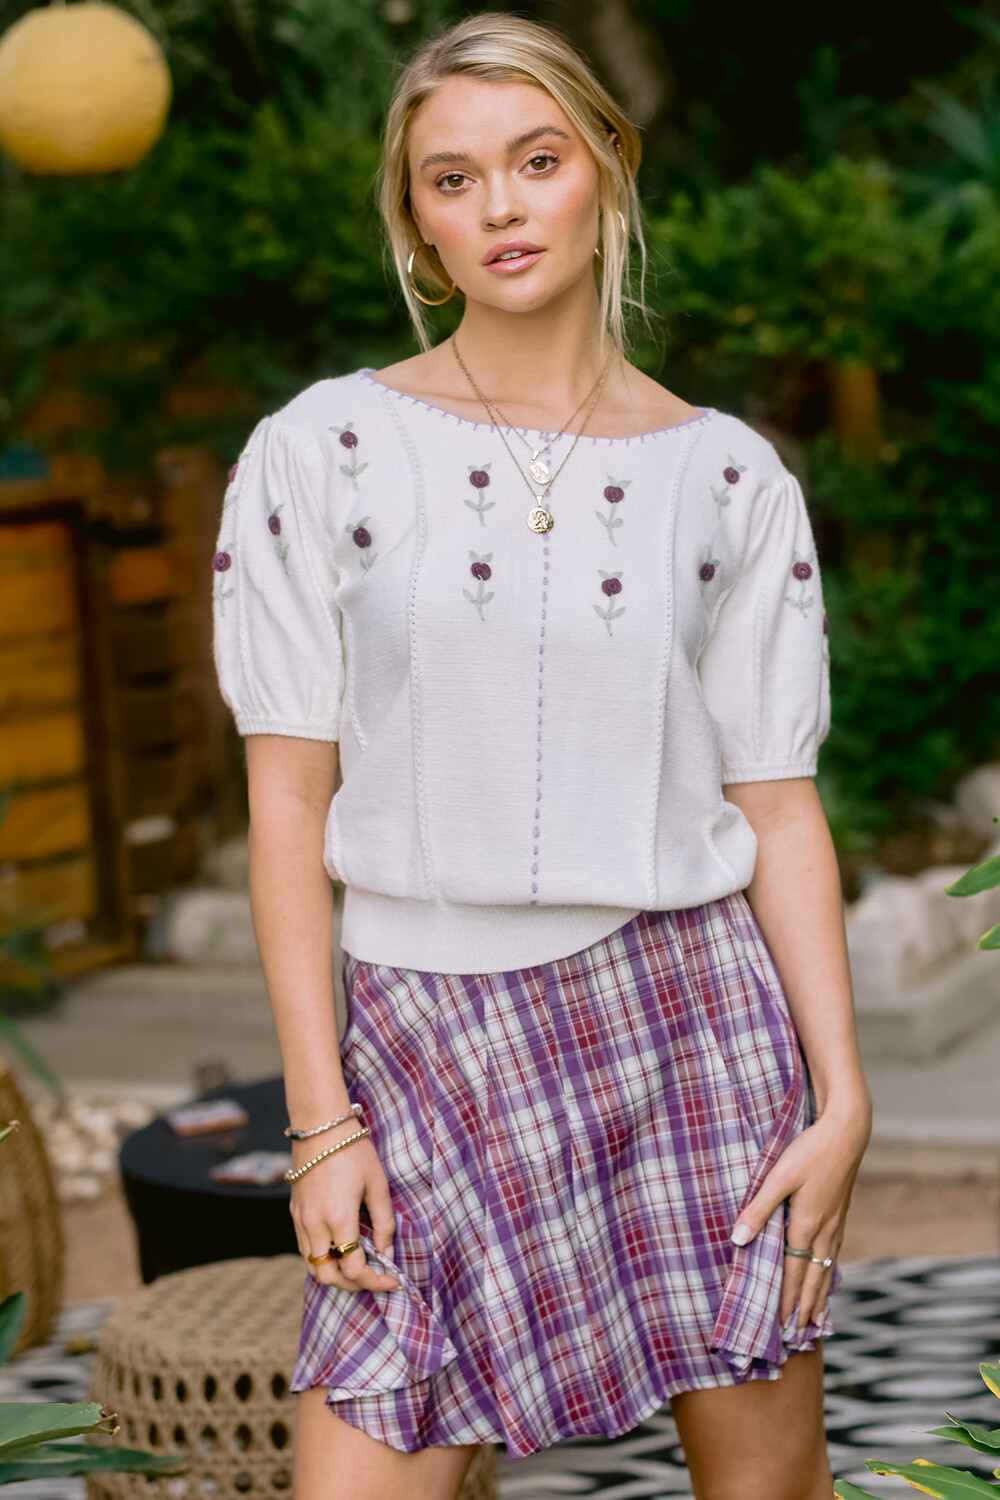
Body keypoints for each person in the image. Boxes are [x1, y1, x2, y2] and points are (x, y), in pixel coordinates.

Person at [211, 13, 872, 1500]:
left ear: (608, 170)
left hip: (696, 1027)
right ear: (416, 223)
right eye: (452, 180)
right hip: (425, 1037)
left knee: (768, 1486)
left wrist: (842, 1097)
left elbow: (778, 805)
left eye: (537, 160)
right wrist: (321, 1123)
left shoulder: (729, 477)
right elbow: (287, 799)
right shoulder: (321, 449)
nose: (501, 206)